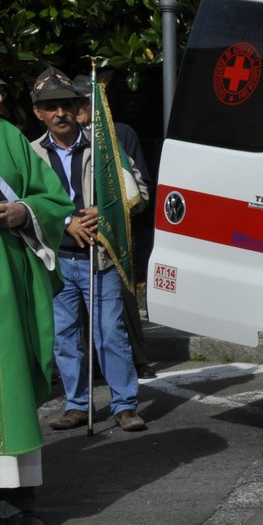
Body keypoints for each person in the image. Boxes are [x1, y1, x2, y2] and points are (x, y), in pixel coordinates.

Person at [28, 68, 148, 433]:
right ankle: (77, 403)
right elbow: (25, 203)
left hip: (101, 257)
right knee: (64, 338)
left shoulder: (106, 147)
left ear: (79, 106)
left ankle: (124, 405)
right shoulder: (32, 154)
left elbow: (138, 194)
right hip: (57, 260)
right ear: (38, 113)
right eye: (50, 107)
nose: (59, 113)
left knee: (110, 332)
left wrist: (108, 210)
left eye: (66, 104)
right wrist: (67, 222)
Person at [0, 116, 73, 525]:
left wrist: (21, 211)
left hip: (6, 285)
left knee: (9, 389)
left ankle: (15, 504)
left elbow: (54, 198)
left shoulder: (8, 138)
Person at [72, 76, 154, 378]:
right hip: (76, 231)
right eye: (74, 102)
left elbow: (139, 186)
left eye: (84, 101)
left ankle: (138, 360)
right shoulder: (66, 138)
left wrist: (109, 214)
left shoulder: (119, 134)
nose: (79, 108)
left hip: (113, 227)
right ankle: (90, 367)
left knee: (121, 301)